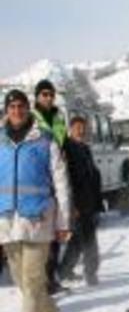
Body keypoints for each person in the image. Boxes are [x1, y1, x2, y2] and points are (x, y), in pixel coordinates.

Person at [0, 89, 71, 312]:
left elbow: (62, 184)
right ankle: (50, 310)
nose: (16, 111)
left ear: (28, 108)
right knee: (23, 281)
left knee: (31, 279)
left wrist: (63, 222)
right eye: (12, 106)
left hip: (38, 220)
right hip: (6, 221)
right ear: (6, 110)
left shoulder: (45, 140)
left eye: (21, 106)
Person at [32, 79, 67, 295]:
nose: (48, 97)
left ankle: (51, 277)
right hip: (39, 178)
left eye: (50, 94)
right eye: (44, 94)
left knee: (56, 230)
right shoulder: (31, 117)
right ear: (37, 96)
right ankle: (41, 281)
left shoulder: (58, 117)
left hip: (57, 173)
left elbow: (63, 142)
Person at [57, 116, 102, 286]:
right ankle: (91, 274)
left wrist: (98, 201)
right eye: (77, 127)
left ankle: (63, 271)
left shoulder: (84, 148)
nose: (80, 131)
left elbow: (92, 176)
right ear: (70, 129)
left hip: (89, 202)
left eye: (83, 127)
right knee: (89, 240)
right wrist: (71, 205)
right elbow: (66, 179)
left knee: (77, 241)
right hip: (76, 203)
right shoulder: (67, 148)